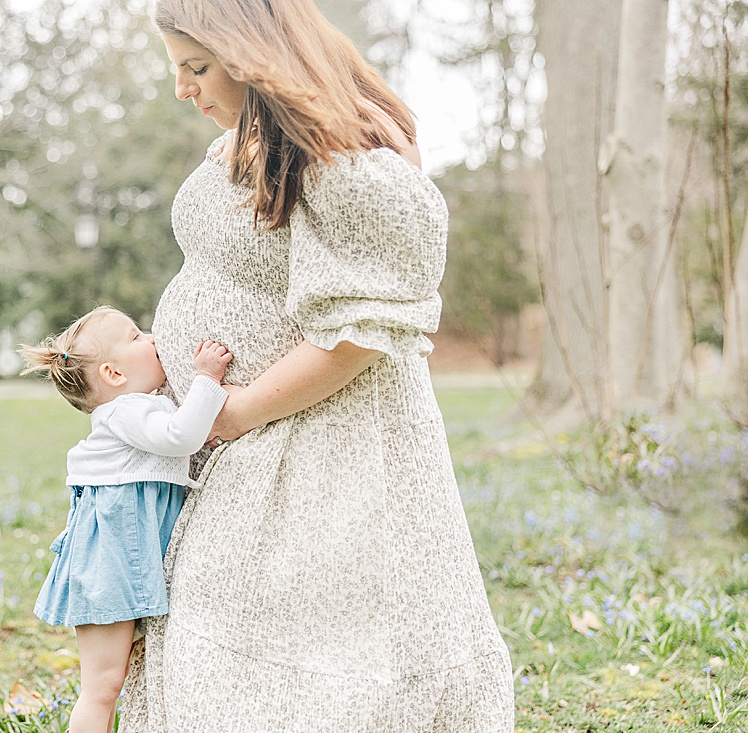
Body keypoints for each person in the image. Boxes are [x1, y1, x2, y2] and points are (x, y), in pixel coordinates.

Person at [118, 1, 514, 731]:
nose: (183, 89)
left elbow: (363, 332)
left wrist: (238, 409)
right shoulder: (258, 132)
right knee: (223, 610)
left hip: (321, 438)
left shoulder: (351, 155)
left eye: (196, 68)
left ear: (254, 53)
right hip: (249, 434)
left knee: (324, 636)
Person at [18, 305, 234, 733]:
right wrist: (206, 380)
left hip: (121, 555)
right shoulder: (126, 411)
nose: (152, 339)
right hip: (110, 560)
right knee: (102, 686)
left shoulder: (138, 406)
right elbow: (181, 437)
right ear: (114, 375)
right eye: (137, 336)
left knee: (109, 682)